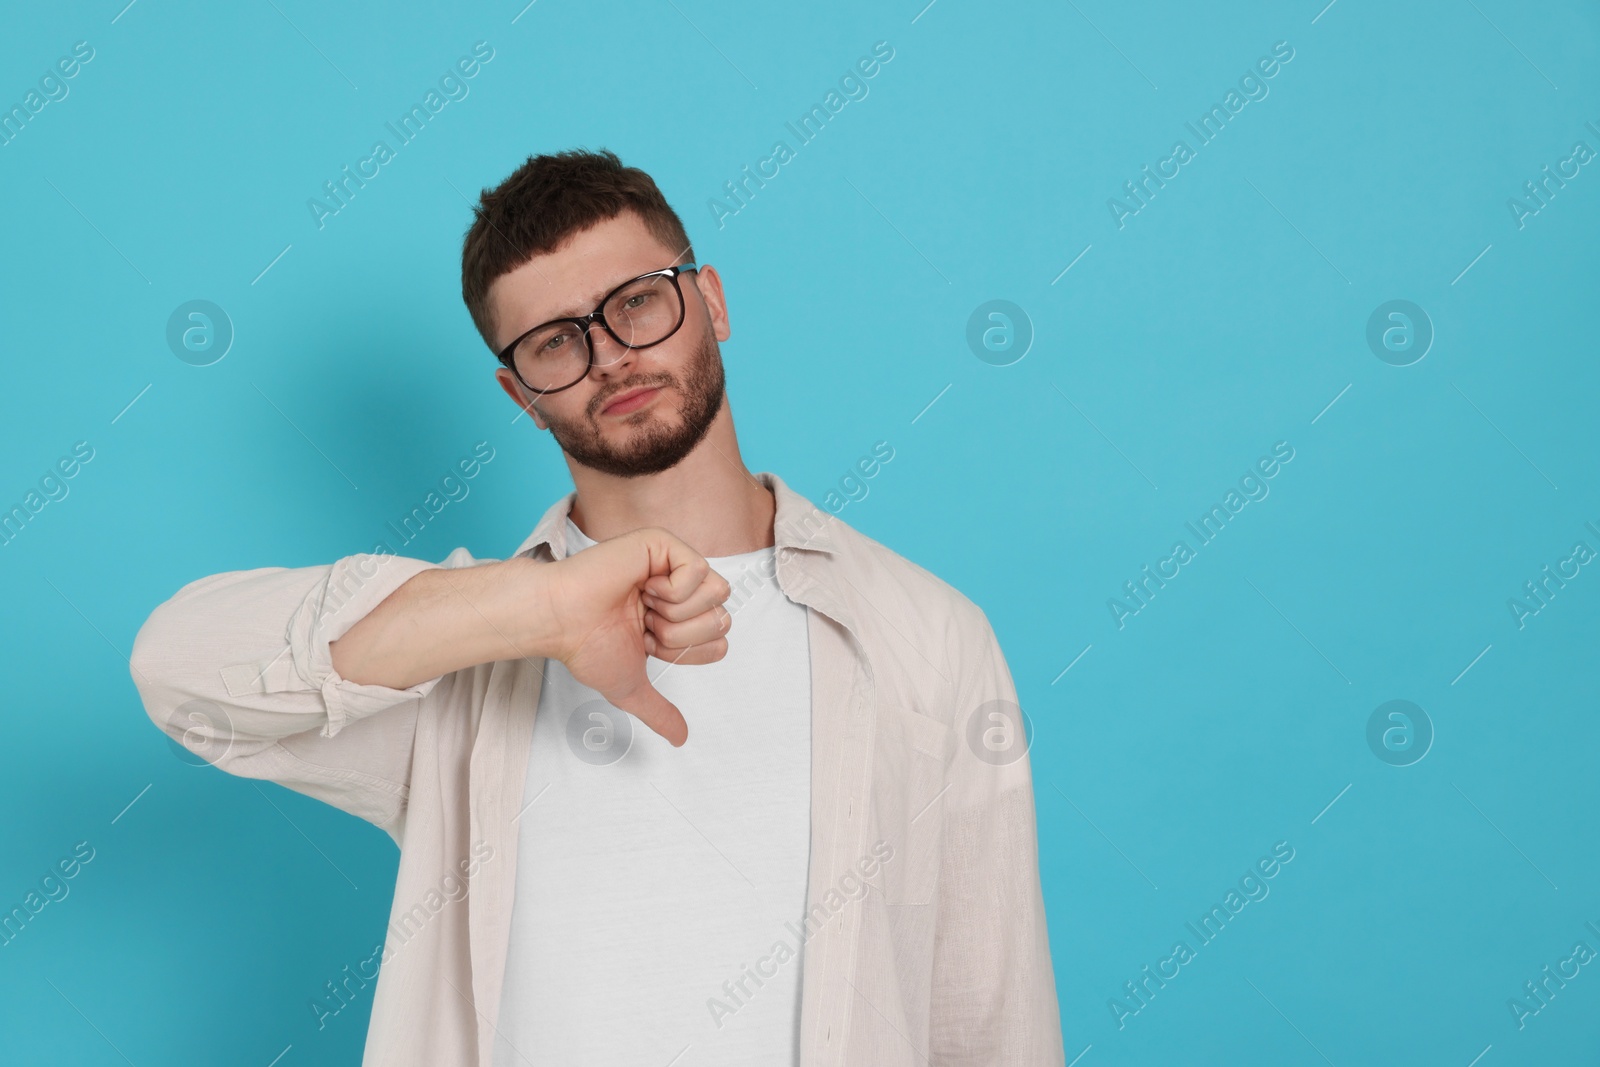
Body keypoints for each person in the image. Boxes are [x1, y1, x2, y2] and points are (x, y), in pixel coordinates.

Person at [129, 148, 1063, 1066]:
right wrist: (540, 608)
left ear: (713, 301)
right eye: (555, 341)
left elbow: (992, 1019)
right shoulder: (465, 650)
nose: (611, 357)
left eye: (638, 301)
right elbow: (175, 669)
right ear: (521, 395)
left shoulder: (929, 635)